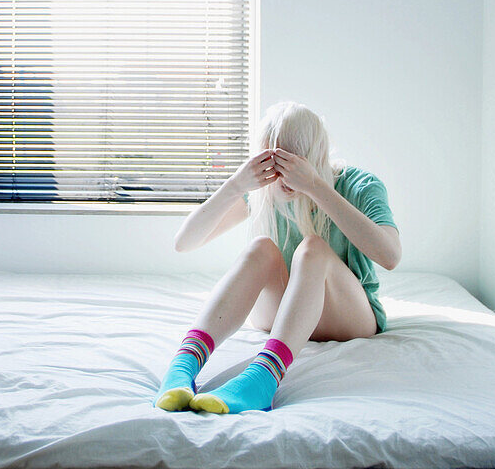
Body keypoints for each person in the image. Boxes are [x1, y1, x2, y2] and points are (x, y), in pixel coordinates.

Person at [153, 100, 401, 414]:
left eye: (292, 165)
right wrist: (235, 185)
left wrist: (314, 186)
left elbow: (390, 256)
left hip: (349, 317)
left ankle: (263, 379)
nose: (282, 179)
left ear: (314, 158)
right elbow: (184, 243)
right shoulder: (263, 190)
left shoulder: (359, 185)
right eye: (272, 165)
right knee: (261, 249)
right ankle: (182, 368)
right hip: (281, 313)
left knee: (312, 250)